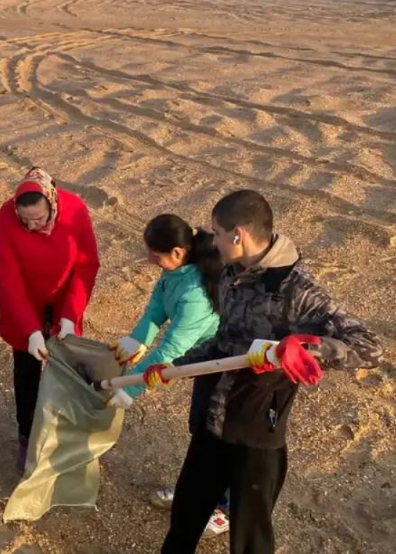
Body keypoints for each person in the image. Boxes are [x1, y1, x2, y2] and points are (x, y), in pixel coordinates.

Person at [143, 190, 383, 554]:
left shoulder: (296, 289)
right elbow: (223, 342)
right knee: (183, 526)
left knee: (251, 543)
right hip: (212, 423)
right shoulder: (230, 274)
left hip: (256, 435)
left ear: (237, 235)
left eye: (217, 233)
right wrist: (174, 367)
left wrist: (306, 347)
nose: (212, 241)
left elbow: (368, 346)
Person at [102, 214, 230, 537]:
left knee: (222, 436)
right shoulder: (174, 273)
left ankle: (225, 507)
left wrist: (129, 390)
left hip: (224, 368)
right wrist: (137, 339)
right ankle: (196, 493)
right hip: (203, 363)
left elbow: (168, 355)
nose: (150, 260)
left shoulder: (196, 297)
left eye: (155, 255)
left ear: (177, 252)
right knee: (201, 430)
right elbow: (155, 309)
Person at [0, 167, 100, 473]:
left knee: (68, 369)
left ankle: (64, 436)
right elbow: (8, 279)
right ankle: (27, 435)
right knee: (26, 372)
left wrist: (69, 316)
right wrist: (30, 331)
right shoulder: (6, 217)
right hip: (25, 301)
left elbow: (86, 266)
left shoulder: (76, 209)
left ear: (52, 202)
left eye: (39, 219)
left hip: (63, 297)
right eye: (25, 220)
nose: (32, 225)